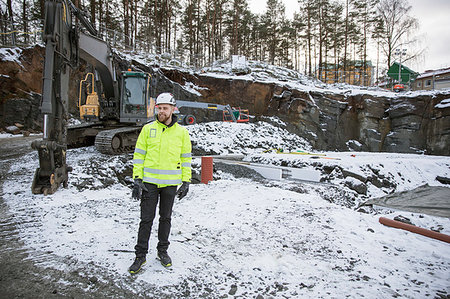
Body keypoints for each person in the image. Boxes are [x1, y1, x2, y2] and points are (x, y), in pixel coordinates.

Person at [128, 92, 192, 274]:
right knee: (146, 220)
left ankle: (162, 251)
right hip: (149, 184)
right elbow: (139, 156)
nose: (162, 111)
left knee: (166, 219)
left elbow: (186, 158)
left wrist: (186, 181)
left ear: (173, 109)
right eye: (160, 108)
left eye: (165, 108)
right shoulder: (148, 129)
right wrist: (137, 179)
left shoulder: (182, 133)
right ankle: (140, 256)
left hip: (170, 185)